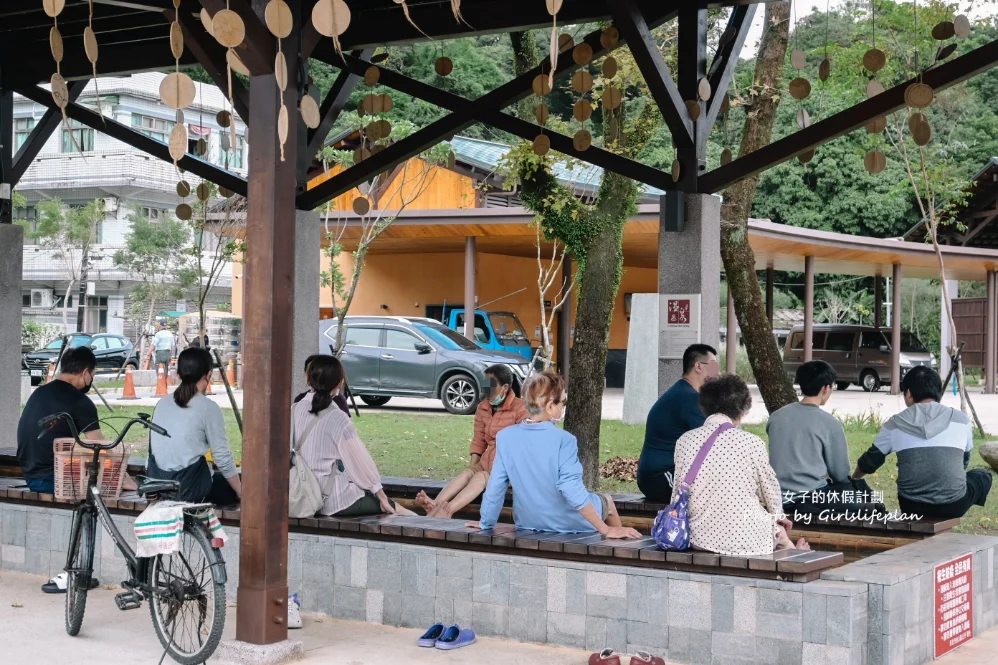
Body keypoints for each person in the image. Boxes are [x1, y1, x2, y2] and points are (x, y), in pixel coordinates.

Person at [469, 371, 640, 538]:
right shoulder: (565, 440)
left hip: (527, 521)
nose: (563, 408)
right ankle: (619, 548)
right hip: (568, 521)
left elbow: (495, 486)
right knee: (607, 501)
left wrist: (486, 523)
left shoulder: (505, 437)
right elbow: (571, 489)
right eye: (563, 404)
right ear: (550, 406)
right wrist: (606, 530)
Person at [673, 375, 808, 555]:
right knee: (779, 532)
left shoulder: (685, 441)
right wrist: (779, 518)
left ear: (704, 407)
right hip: (746, 541)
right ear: (741, 411)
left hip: (698, 538)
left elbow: (677, 493)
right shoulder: (752, 442)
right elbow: (770, 492)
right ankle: (795, 554)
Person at [853, 366, 992, 519]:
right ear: (938, 393)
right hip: (955, 505)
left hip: (911, 506)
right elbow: (964, 461)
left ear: (908, 393)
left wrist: (853, 480)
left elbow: (870, 461)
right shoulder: (961, 420)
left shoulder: (894, 424)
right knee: (982, 475)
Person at [293, 356, 415, 517]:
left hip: (299, 496)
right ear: (339, 384)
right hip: (331, 501)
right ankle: (429, 525)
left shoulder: (294, 409)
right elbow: (360, 463)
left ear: (308, 380)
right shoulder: (338, 418)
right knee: (393, 507)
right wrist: (382, 497)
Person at [416, 365, 529, 518]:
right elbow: (479, 441)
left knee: (479, 477)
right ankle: (434, 505)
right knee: (468, 473)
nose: (486, 391)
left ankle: (447, 511)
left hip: (508, 468)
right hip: (486, 462)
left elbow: (524, 446)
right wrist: (473, 467)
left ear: (505, 387)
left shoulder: (520, 408)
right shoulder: (483, 407)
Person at [147, 348, 242, 504]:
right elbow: (222, 456)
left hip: (157, 484)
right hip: (189, 488)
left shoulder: (161, 404)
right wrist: (240, 491)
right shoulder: (208, 407)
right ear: (209, 375)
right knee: (235, 486)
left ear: (178, 375)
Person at [637, 344, 720, 502]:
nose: (718, 372)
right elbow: (714, 440)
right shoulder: (689, 398)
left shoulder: (682, 392)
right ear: (698, 366)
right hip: (660, 477)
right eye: (714, 365)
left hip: (656, 477)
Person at [768, 360, 853, 513]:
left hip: (778, 496)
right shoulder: (830, 424)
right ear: (826, 388)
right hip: (813, 498)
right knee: (858, 497)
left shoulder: (776, 417)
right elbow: (841, 474)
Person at [17, 347, 105, 494]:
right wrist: (126, 481)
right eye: (92, 374)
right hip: (54, 479)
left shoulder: (39, 393)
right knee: (107, 489)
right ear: (85, 372)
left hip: (30, 475)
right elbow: (101, 449)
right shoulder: (80, 401)